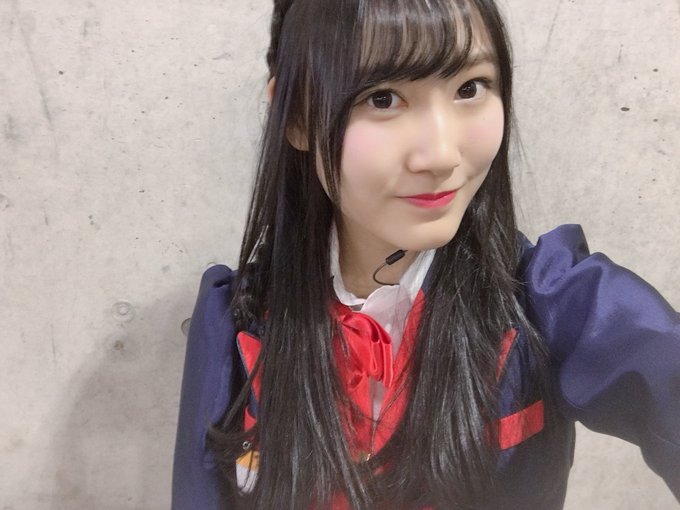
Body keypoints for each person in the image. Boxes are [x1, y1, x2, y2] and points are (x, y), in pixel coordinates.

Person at [171, 0, 680, 508]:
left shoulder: (549, 300)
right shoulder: (236, 323)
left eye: (470, 88)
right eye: (383, 98)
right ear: (297, 116)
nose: (441, 155)